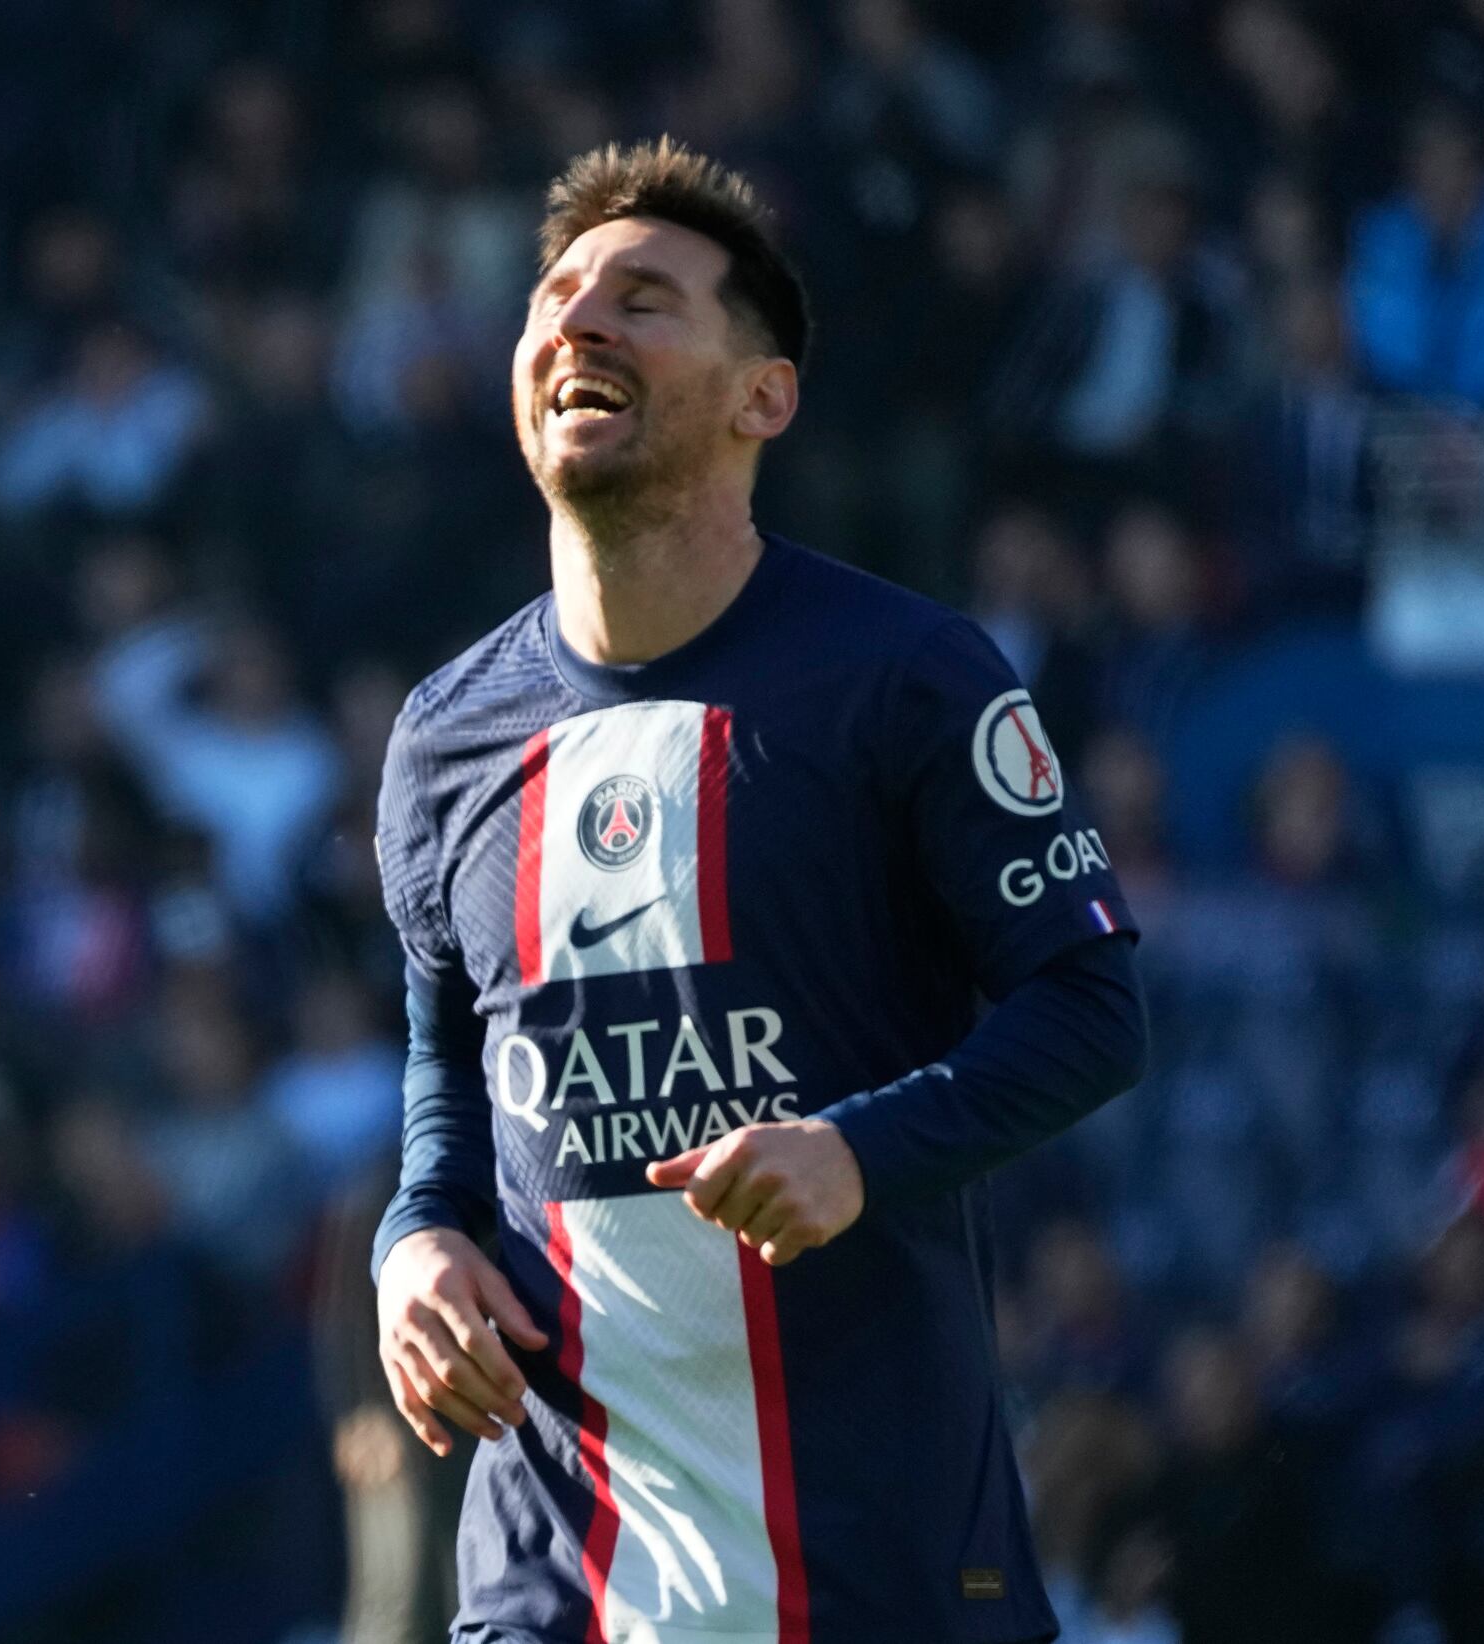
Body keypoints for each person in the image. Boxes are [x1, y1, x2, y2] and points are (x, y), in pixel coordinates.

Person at [369, 139, 1148, 1643]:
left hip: (878, 1579)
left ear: (761, 397)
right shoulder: (444, 736)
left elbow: (1092, 1011)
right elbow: (449, 1081)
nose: (579, 321)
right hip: (556, 1588)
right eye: (558, 295)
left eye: (643, 300)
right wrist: (416, 1242)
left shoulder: (907, 679)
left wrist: (859, 1150)